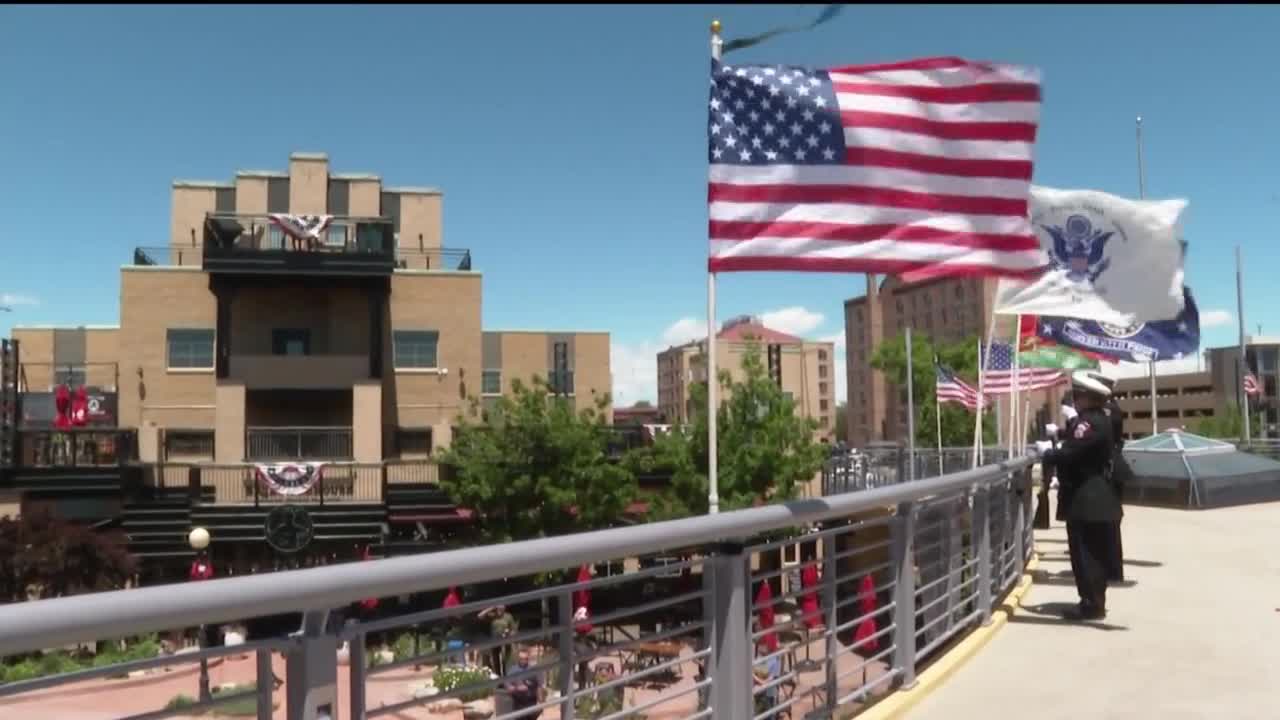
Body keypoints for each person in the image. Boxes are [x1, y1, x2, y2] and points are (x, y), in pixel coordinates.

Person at [1039, 371, 1122, 621]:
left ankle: (1091, 605)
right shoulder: (1096, 419)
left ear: (1087, 397)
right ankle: (1093, 601)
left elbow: (1072, 453)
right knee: (1091, 553)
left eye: (1078, 395)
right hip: (1093, 495)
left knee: (1085, 554)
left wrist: (1048, 453)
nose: (1075, 400)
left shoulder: (1090, 423)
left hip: (1087, 497)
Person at [1095, 374, 1128, 583]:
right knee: (1108, 523)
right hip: (1110, 467)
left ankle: (1111, 569)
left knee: (1108, 522)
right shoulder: (1110, 408)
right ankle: (1110, 568)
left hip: (1108, 470)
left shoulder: (1108, 410)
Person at [504, 648, 542, 719]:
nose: (523, 661)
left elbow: (539, 686)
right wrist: (517, 688)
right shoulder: (513, 671)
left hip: (531, 702)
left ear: (528, 659)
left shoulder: (533, 670)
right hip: (519, 703)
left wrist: (540, 701)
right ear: (518, 659)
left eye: (526, 659)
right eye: (521, 659)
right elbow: (508, 687)